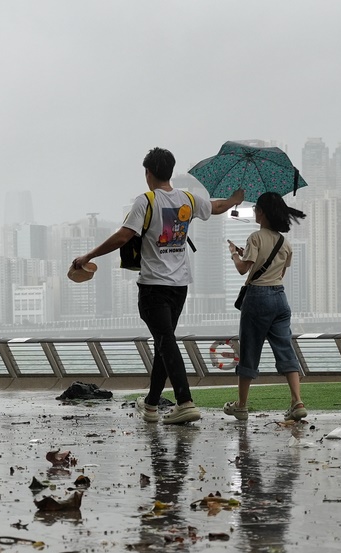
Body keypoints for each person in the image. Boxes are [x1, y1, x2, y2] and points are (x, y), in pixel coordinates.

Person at [71, 148, 244, 425]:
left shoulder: (145, 201)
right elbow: (217, 207)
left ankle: (185, 401)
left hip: (153, 287)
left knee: (166, 342)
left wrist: (88, 256)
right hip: (180, 287)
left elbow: (123, 237)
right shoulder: (188, 199)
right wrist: (236, 198)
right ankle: (151, 405)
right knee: (166, 342)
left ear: (148, 173)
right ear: (170, 172)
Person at [223, 191, 308, 421]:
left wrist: (234, 254)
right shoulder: (285, 242)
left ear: (262, 212)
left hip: (257, 298)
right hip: (280, 298)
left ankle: (241, 405)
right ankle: (297, 402)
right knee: (285, 349)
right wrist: (248, 256)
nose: (254, 213)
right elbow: (278, 272)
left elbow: (243, 269)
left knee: (250, 350)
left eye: (256, 209)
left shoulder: (255, 238)